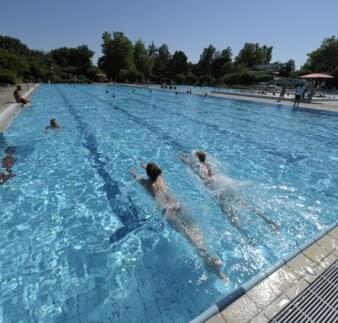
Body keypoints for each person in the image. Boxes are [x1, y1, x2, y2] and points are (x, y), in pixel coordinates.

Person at [130, 162, 227, 281]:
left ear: (149, 174)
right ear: (157, 172)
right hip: (178, 205)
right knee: (195, 228)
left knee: (188, 235)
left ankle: (208, 260)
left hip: (168, 211)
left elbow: (136, 177)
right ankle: (210, 259)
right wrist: (146, 166)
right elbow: (156, 171)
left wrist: (132, 171)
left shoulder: (147, 184)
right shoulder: (161, 178)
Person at [181, 151, 279, 232]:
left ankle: (245, 235)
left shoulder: (199, 168)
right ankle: (269, 221)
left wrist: (188, 163)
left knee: (230, 215)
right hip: (224, 183)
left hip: (218, 190)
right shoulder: (208, 165)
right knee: (247, 205)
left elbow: (205, 178)